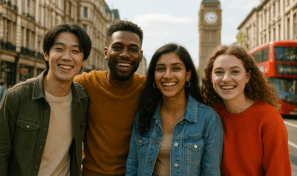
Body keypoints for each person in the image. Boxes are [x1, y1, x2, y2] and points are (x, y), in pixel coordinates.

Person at [0, 23, 91, 176]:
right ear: (46, 54)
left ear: (83, 61)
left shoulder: (82, 99)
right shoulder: (17, 96)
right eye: (59, 49)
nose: (67, 57)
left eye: (75, 51)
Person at [126, 43, 223, 176]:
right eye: (160, 69)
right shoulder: (144, 114)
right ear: (153, 75)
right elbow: (132, 166)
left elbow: (211, 172)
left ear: (188, 75)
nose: (167, 75)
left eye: (176, 68)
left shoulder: (209, 120)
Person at [201, 45, 291, 176]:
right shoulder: (210, 114)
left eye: (235, 72)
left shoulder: (268, 117)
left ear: (247, 76)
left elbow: (279, 171)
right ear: (211, 77)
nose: (226, 79)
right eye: (219, 72)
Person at [74, 20, 146, 175]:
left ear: (140, 56)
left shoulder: (148, 89)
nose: (125, 54)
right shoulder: (87, 82)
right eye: (118, 47)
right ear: (106, 53)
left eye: (132, 49)